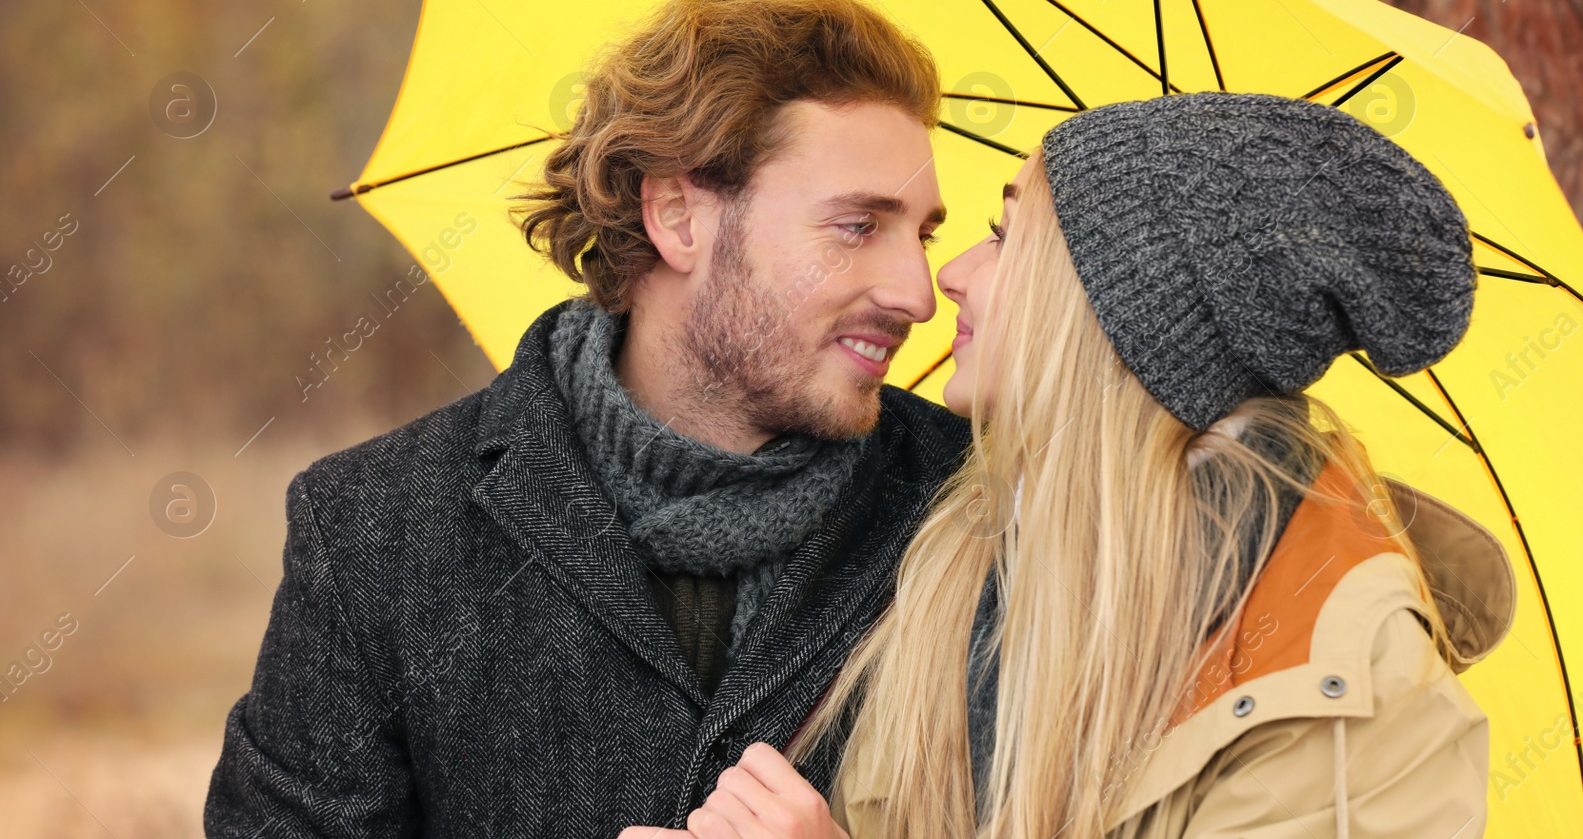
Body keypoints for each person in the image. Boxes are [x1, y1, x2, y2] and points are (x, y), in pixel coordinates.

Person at [203, 0, 974, 836]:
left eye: (924, 232)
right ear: (679, 215)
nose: (917, 291)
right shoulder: (374, 533)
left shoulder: (969, 508)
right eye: (859, 226)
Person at [635, 92, 1516, 839]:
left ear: (1117, 317)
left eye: (1007, 237)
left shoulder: (1354, 709)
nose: (954, 276)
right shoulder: (965, 558)